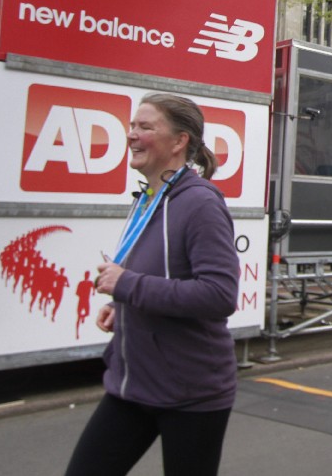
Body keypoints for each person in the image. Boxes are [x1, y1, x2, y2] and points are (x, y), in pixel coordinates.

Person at [65, 93, 240, 476]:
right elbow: (161, 276)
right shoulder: (148, 197)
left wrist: (128, 286)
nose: (131, 134)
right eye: (132, 126)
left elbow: (219, 295)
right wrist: (122, 306)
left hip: (191, 393)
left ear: (179, 141)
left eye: (145, 127)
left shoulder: (200, 204)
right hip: (133, 384)